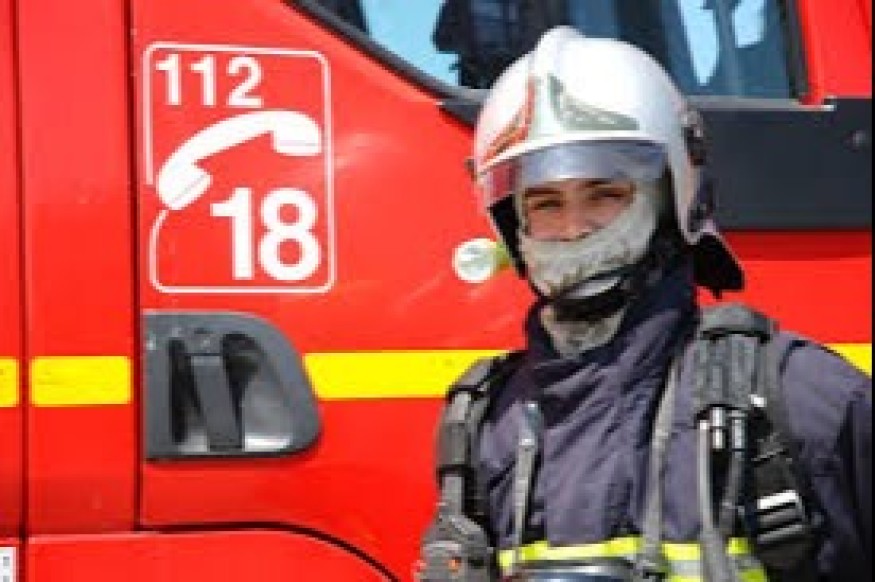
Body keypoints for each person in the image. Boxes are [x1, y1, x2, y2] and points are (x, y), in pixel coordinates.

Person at [418, 27, 871, 582]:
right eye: (546, 203)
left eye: (606, 194)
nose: (575, 228)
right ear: (515, 225)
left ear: (671, 197)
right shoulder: (486, 428)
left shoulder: (805, 402)